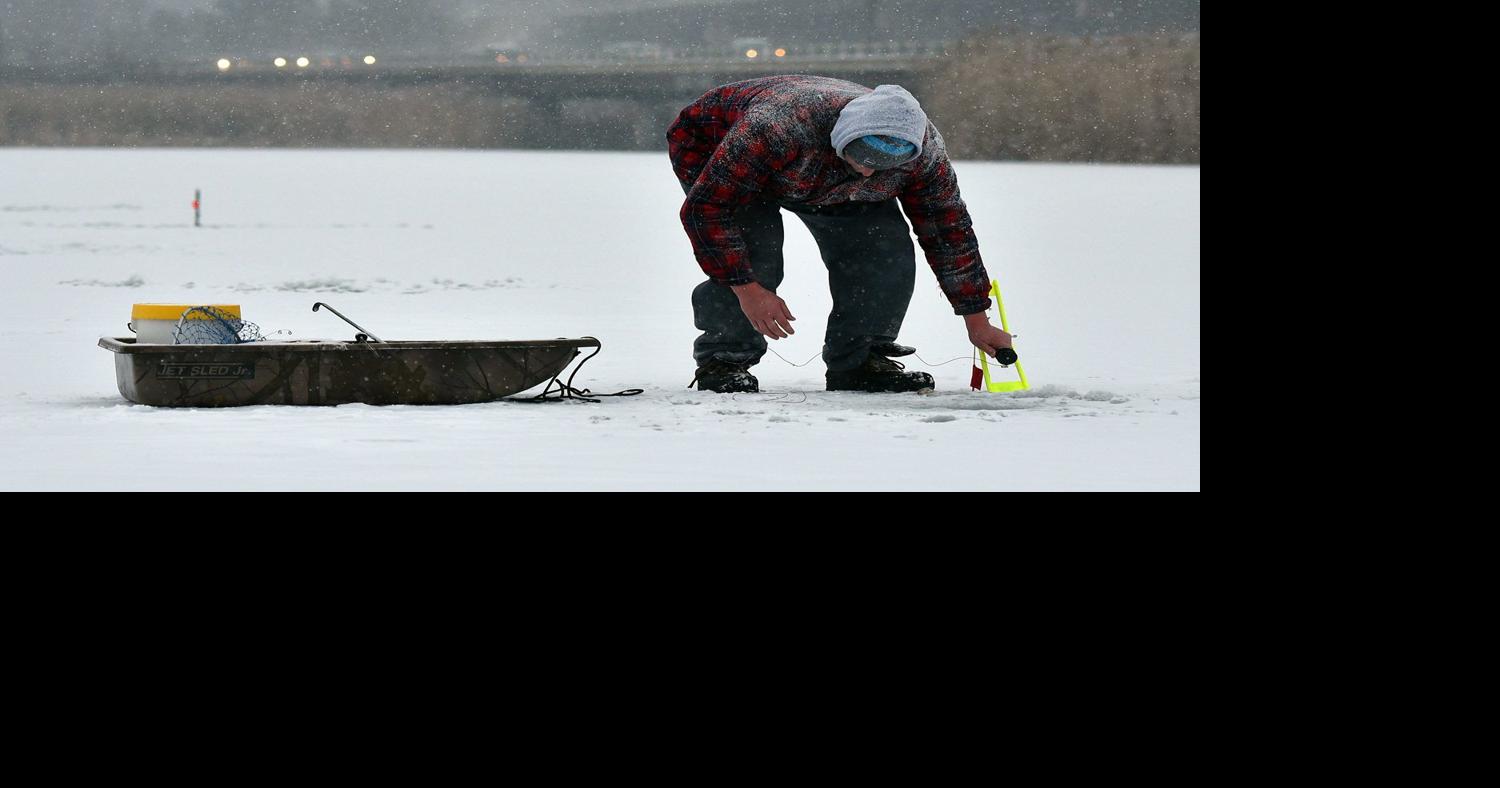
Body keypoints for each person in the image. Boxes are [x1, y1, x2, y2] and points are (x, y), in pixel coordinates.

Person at [668, 75, 1013, 393]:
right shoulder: (778, 127)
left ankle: (859, 360)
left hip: (813, 171)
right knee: (755, 250)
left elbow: (948, 232)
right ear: (844, 136)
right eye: (860, 156)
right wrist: (747, 289)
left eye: (882, 165)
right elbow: (707, 210)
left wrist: (976, 317)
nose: (867, 170)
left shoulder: (924, 159)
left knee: (882, 248)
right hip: (718, 145)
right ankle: (724, 359)